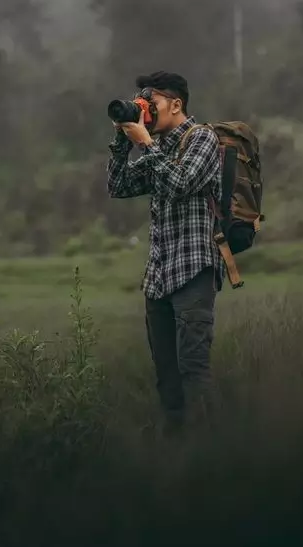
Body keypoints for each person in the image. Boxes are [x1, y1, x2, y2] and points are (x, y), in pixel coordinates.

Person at [107, 71, 223, 435]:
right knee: (167, 380)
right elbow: (118, 186)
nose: (147, 112)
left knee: (193, 372)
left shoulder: (203, 138)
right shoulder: (157, 148)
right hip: (158, 280)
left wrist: (146, 144)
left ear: (176, 104)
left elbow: (182, 182)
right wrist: (124, 138)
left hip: (193, 272)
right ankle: (177, 456)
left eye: (151, 104)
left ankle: (209, 453)